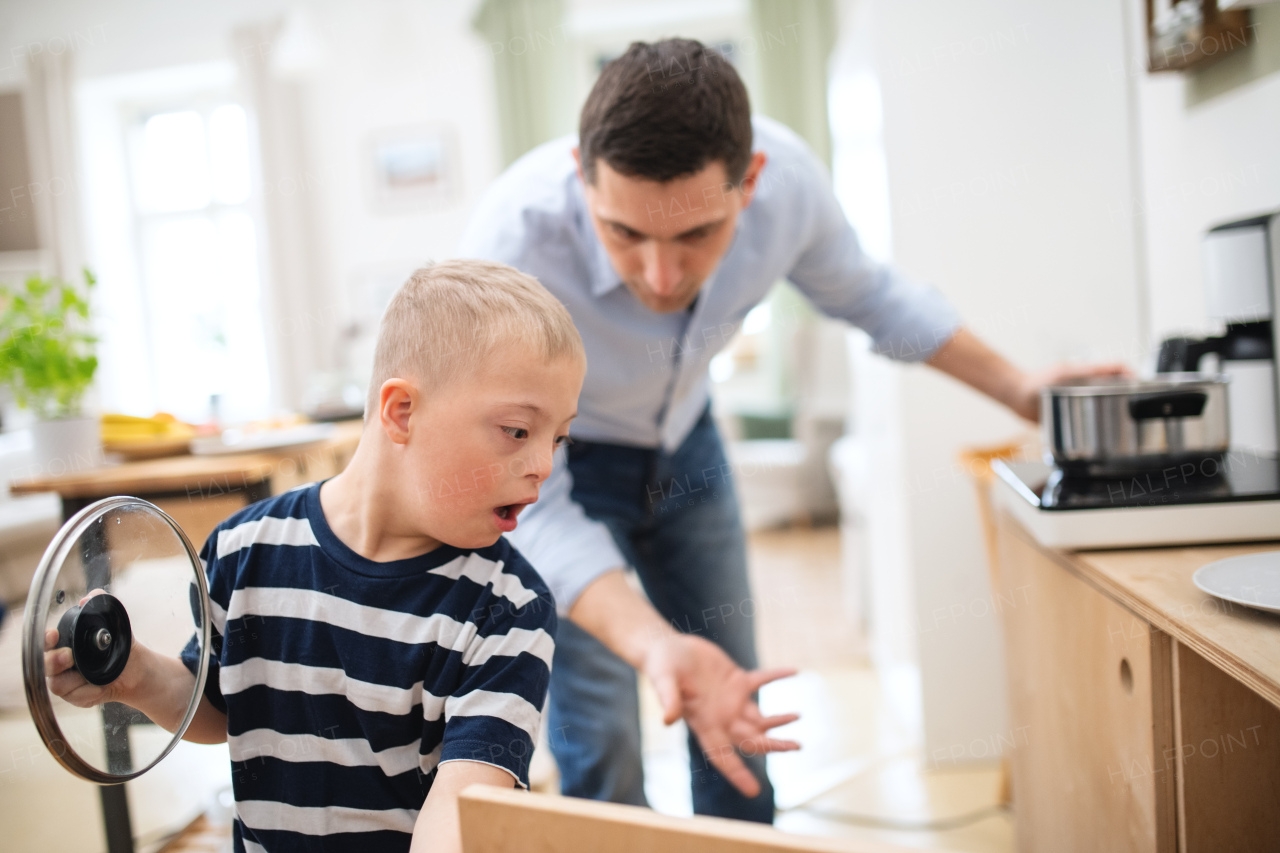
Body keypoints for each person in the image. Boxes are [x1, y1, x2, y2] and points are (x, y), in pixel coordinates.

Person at [458, 38, 1126, 824]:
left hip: (688, 440)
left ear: (752, 185)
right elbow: (528, 496)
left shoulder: (793, 189)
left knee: (733, 686)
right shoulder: (511, 244)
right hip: (562, 459)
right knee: (600, 727)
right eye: (625, 234)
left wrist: (1017, 386)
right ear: (582, 174)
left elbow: (877, 301)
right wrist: (652, 645)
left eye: (696, 235)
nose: (661, 278)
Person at [45, 261, 588, 852]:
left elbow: (462, 813)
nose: (544, 464)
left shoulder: (510, 609)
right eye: (517, 430)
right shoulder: (241, 552)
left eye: (557, 437)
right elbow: (218, 708)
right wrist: (138, 677)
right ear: (402, 412)